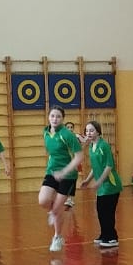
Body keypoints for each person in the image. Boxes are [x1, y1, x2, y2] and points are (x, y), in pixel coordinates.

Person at [62, 120, 123, 247]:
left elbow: (109, 166)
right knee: (101, 211)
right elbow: (95, 168)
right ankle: (104, 234)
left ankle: (112, 238)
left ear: (98, 132)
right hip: (102, 187)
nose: (88, 133)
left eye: (91, 130)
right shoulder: (91, 147)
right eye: (87, 131)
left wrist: (99, 181)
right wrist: (87, 180)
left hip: (111, 185)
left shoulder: (104, 146)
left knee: (108, 212)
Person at [38, 106, 82, 251]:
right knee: (43, 200)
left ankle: (57, 237)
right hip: (52, 171)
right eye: (52, 116)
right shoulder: (46, 132)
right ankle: (54, 211)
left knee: (57, 209)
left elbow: (79, 157)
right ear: (48, 117)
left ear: (63, 119)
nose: (55, 119)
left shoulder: (67, 135)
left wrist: (64, 171)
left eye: (58, 116)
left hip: (68, 175)